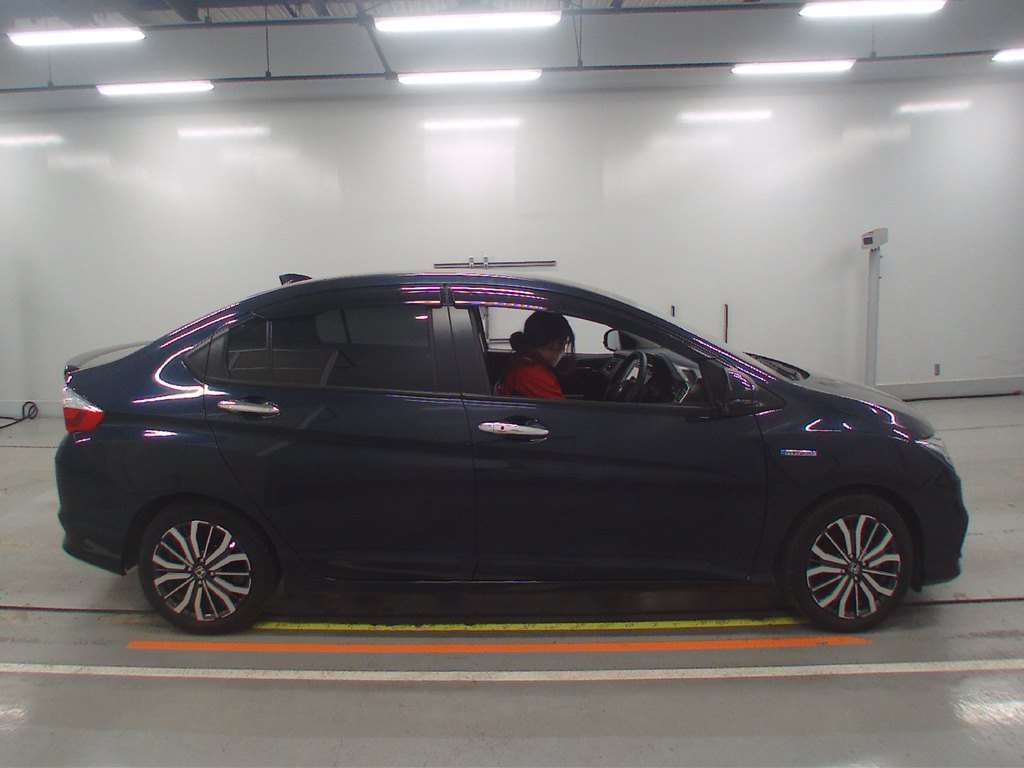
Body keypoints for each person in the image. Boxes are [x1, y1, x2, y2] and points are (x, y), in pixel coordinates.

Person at [496, 311, 575, 399]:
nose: (562, 351)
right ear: (551, 343)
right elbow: (559, 406)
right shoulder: (532, 374)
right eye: (561, 344)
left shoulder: (524, 361)